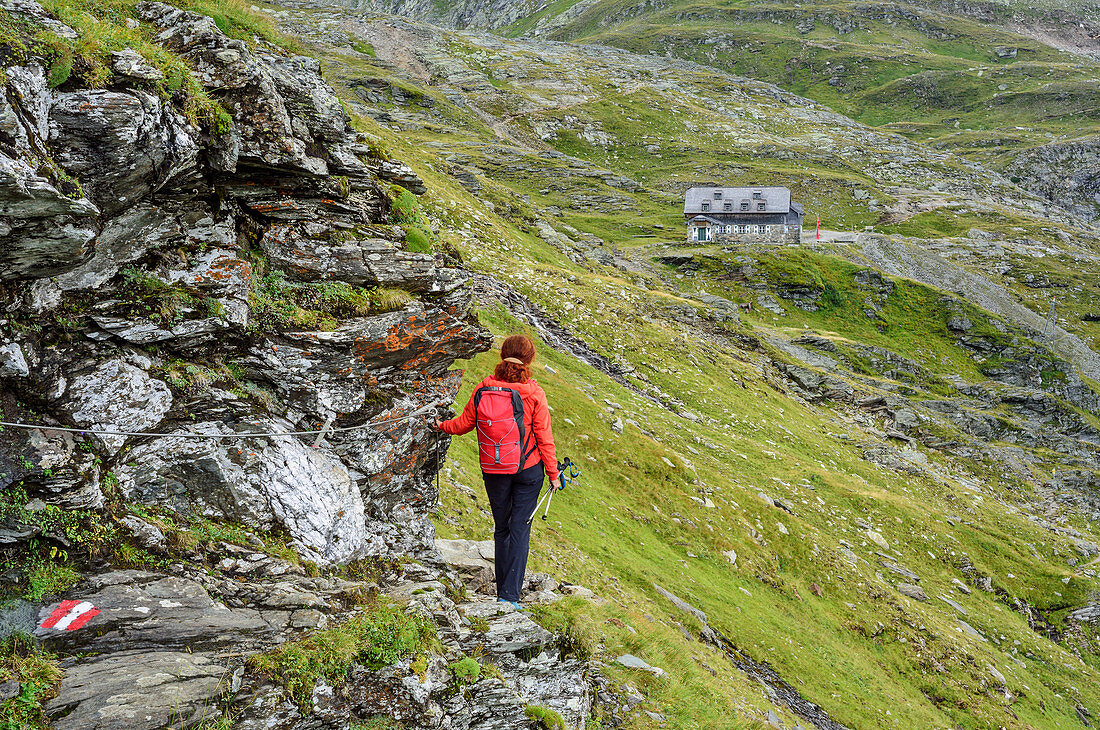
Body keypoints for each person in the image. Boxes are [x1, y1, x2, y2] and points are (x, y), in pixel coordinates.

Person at [433, 334, 558, 609]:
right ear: (530, 359)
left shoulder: (483, 388)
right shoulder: (534, 393)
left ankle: (503, 593)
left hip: (494, 469)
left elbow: (465, 424)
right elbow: (544, 436)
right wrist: (553, 473)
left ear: (502, 356)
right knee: (519, 529)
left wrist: (441, 426)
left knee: (501, 529)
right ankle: (510, 598)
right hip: (528, 470)